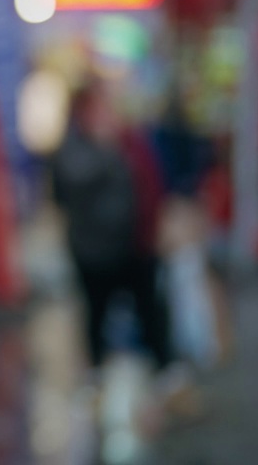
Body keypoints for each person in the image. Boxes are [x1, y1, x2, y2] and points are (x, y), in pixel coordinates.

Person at [50, 77, 173, 375]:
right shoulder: (75, 146)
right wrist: (106, 149)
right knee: (97, 315)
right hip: (94, 250)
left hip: (133, 245)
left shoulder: (126, 140)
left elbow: (148, 182)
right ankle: (97, 373)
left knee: (151, 311)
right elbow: (70, 185)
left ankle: (165, 372)